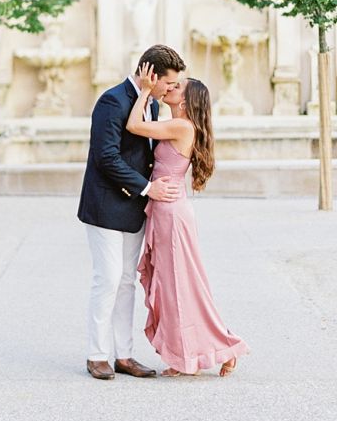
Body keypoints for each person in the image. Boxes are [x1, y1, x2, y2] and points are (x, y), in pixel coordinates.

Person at [126, 63, 248, 377]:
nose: (170, 88)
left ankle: (218, 347)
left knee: (180, 285)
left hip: (171, 214)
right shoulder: (176, 122)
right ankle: (195, 352)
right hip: (167, 210)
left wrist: (143, 90)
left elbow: (134, 126)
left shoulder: (182, 127)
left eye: (177, 87)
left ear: (187, 100)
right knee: (175, 285)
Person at [78, 44, 186, 380]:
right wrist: (147, 188)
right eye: (168, 84)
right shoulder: (112, 100)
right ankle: (97, 355)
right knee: (107, 279)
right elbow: (106, 156)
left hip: (135, 208)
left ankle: (124, 355)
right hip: (106, 204)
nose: (171, 90)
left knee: (126, 281)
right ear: (150, 75)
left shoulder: (149, 105)